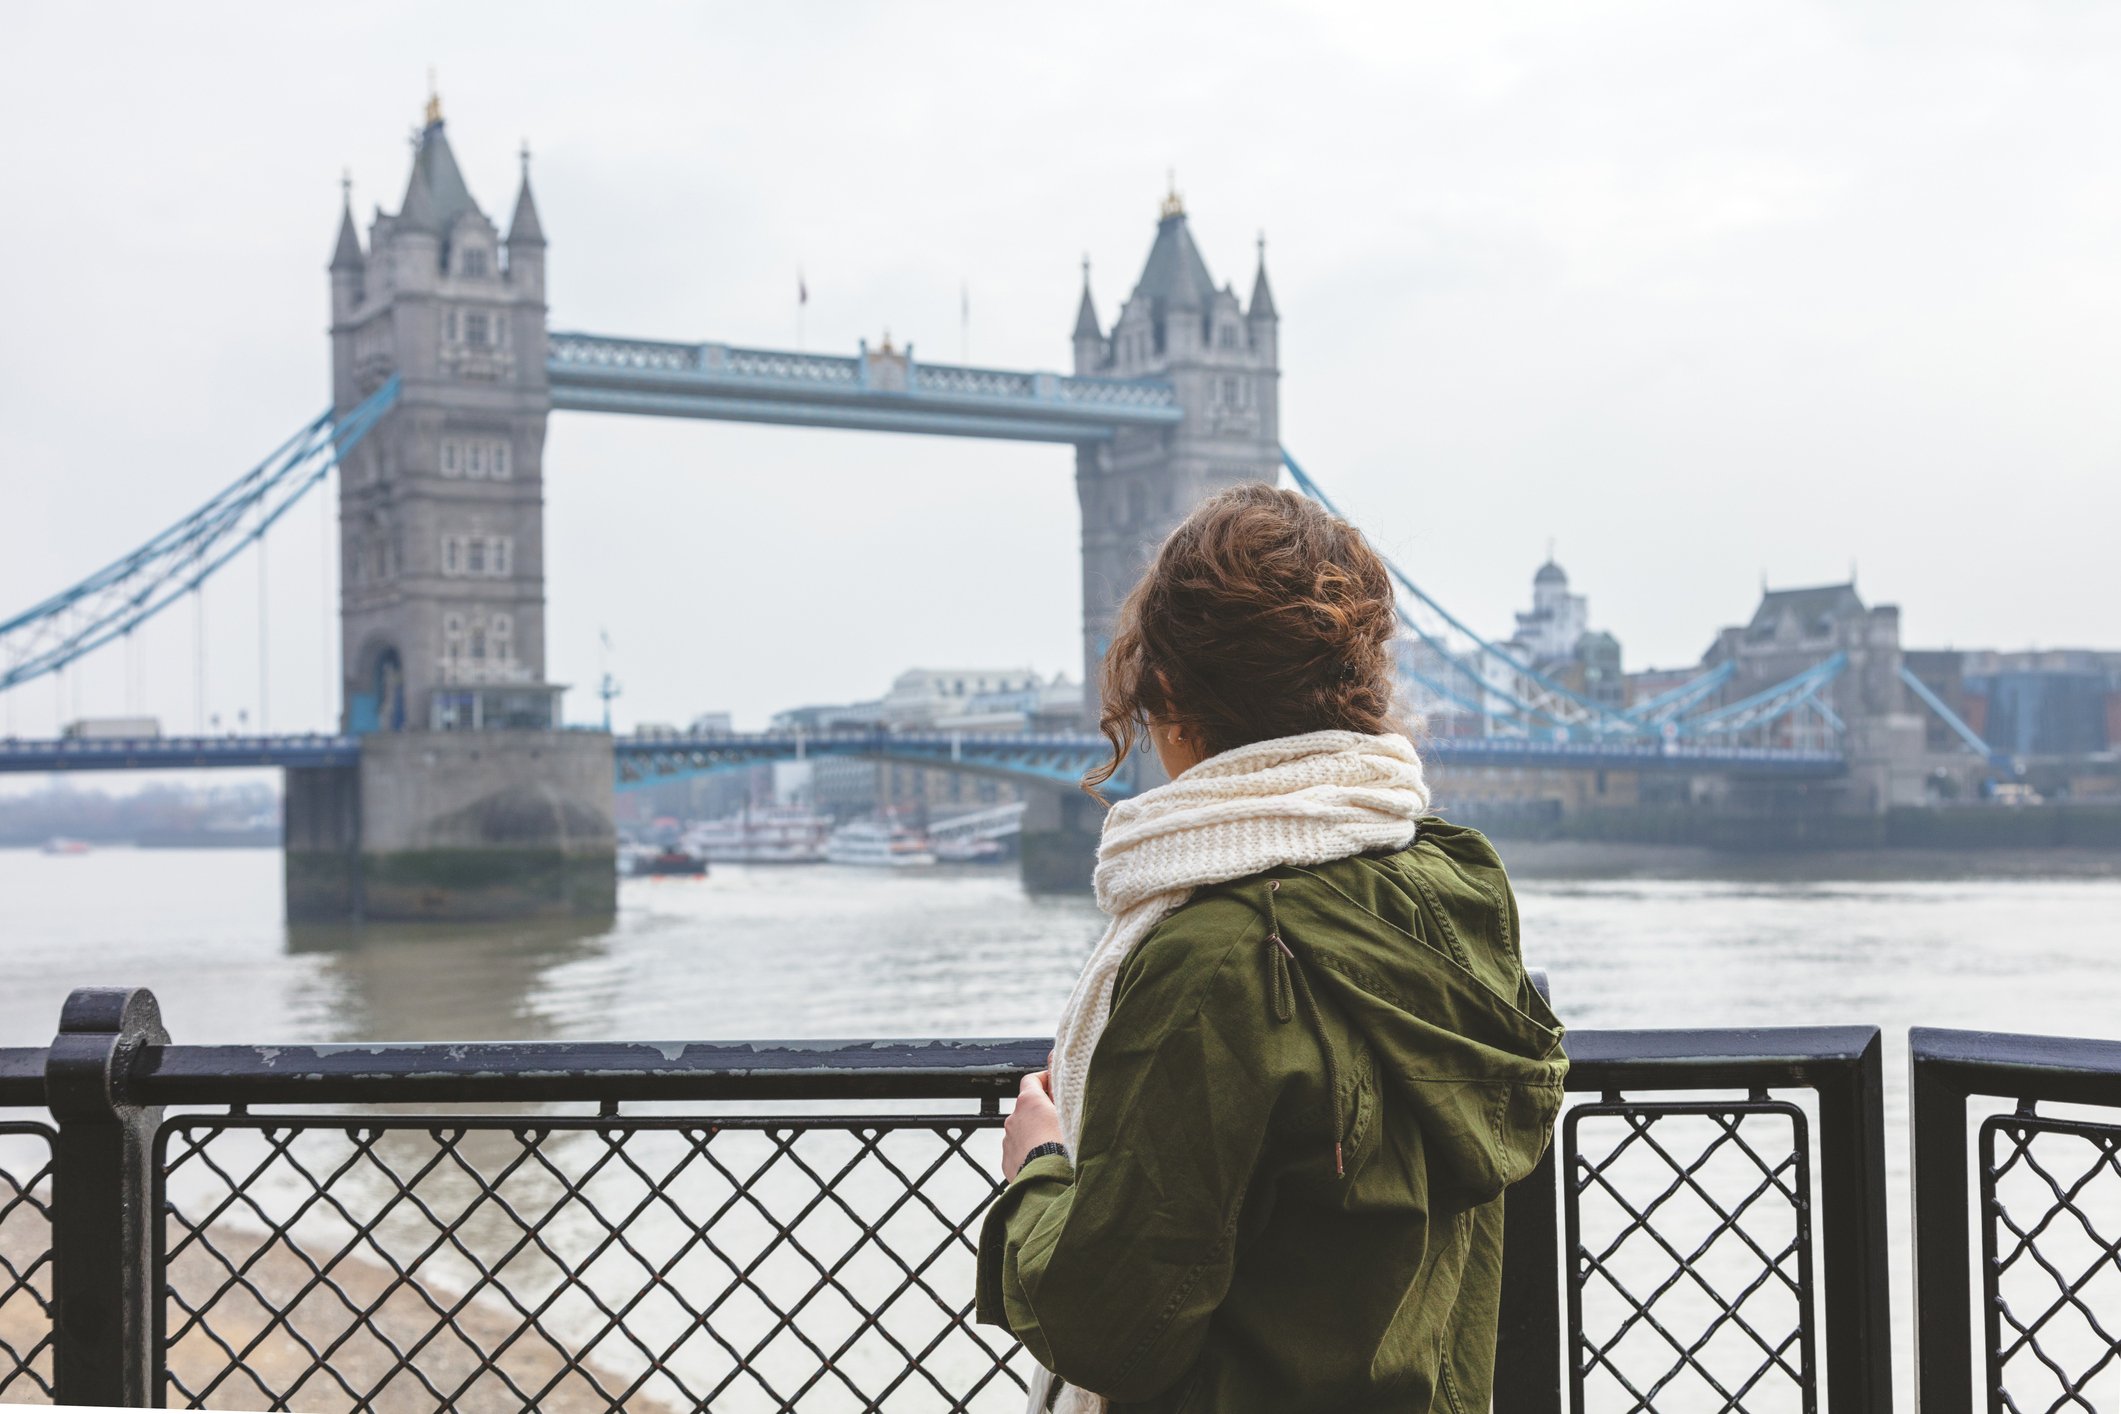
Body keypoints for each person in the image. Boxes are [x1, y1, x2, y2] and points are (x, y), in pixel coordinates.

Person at [975, 484, 1568, 1413]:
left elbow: (1108, 1325)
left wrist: (1036, 1173)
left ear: (1162, 692)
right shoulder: (1454, 888)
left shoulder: (1212, 959)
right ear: (1361, 683)